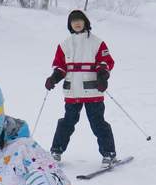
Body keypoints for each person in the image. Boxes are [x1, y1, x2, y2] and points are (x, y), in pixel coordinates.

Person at [44, 9, 117, 166]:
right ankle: (56, 151)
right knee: (67, 122)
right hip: (73, 91)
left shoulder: (97, 43)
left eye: (79, 20)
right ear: (70, 25)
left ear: (85, 22)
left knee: (98, 123)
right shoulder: (64, 45)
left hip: (93, 90)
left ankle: (109, 154)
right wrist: (54, 78)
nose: (77, 23)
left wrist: (103, 76)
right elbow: (61, 67)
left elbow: (105, 62)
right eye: (73, 21)